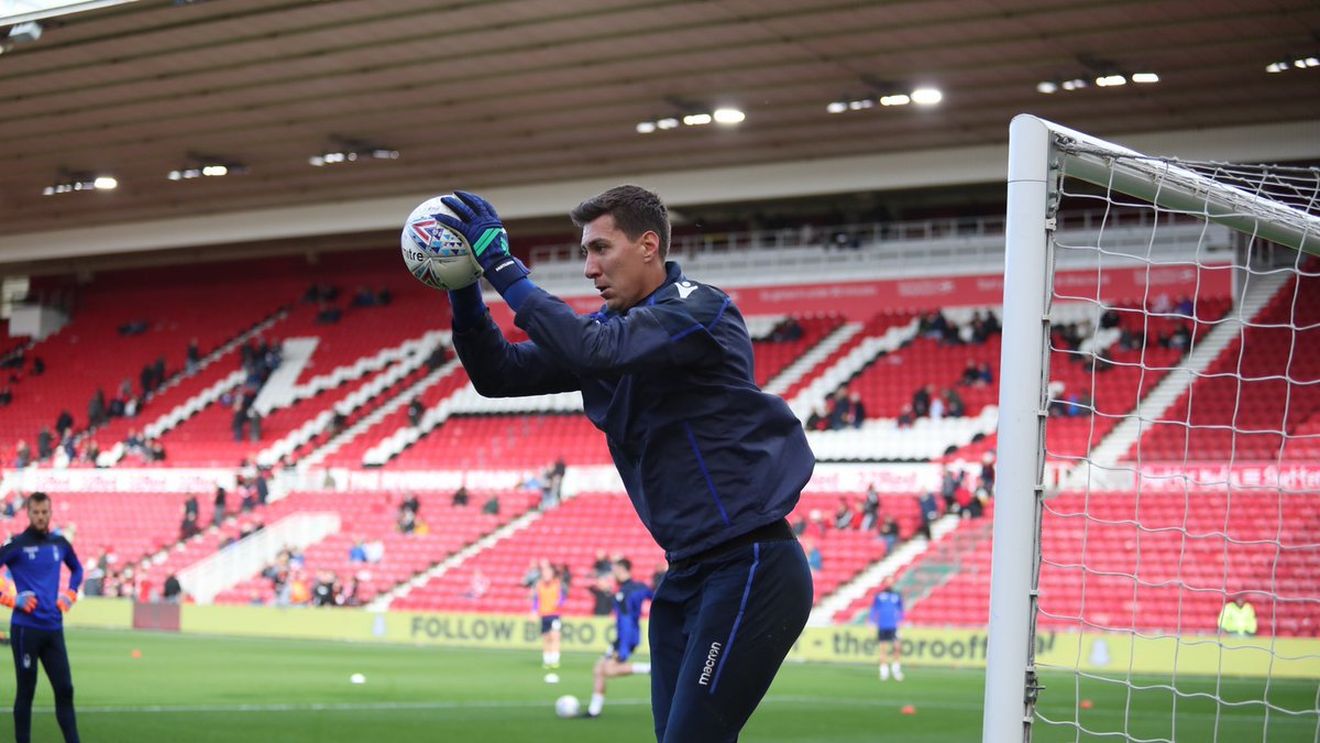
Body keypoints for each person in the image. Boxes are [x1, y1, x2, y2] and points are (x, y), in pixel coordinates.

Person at [436, 186, 813, 741]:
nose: (589, 268)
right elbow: (497, 375)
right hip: (685, 574)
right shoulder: (609, 334)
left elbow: (593, 351)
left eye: (600, 249)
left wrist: (502, 265)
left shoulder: (697, 307)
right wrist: (463, 285)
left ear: (647, 245)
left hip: (750, 565)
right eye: (584, 253)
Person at [0, 492, 83, 742]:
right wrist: (11, 600)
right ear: (28, 513)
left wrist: (69, 594)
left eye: (45, 512)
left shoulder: (59, 544)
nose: (40, 516)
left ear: (50, 512)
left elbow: (77, 569)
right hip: (26, 629)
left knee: (65, 690)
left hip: (53, 628)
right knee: (27, 691)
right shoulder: (17, 545)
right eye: (36, 512)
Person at [585, 558, 654, 718]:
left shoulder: (625, 592)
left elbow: (626, 621)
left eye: (614, 569)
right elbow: (655, 597)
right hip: (624, 636)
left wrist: (623, 649)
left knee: (608, 670)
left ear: (622, 569)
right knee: (599, 669)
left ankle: (648, 668)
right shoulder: (636, 588)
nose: (612, 573)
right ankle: (593, 711)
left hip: (626, 637)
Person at [531, 560, 564, 671]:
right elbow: (536, 600)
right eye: (544, 573)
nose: (546, 575)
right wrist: (534, 611)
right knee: (546, 638)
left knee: (555, 636)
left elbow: (562, 597)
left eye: (548, 573)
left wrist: (558, 602)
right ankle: (547, 660)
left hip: (554, 614)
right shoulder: (539, 585)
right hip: (544, 614)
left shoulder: (557, 584)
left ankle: (555, 660)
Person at [870, 579, 905, 681]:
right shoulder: (879, 596)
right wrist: (872, 621)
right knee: (883, 649)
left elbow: (901, 609)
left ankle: (896, 669)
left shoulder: (896, 596)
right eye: (887, 581)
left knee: (897, 647)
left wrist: (901, 621)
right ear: (884, 583)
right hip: (882, 626)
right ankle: (884, 671)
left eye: (891, 581)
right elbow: (874, 608)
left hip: (893, 626)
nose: (889, 583)